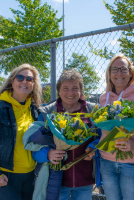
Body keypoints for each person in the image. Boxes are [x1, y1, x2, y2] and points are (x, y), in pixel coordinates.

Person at [31, 69, 101, 200]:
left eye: (75, 88)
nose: (70, 93)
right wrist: (47, 153)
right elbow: (33, 144)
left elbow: (102, 138)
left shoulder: (93, 111)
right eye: (66, 88)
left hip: (85, 180)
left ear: (81, 91)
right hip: (56, 180)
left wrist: (93, 149)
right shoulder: (47, 113)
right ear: (58, 90)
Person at [0, 63, 43, 200]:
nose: (24, 81)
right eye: (20, 77)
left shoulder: (36, 111)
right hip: (6, 176)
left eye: (29, 79)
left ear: (33, 85)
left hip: (31, 175)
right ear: (12, 81)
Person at [98, 54, 134, 200]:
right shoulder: (104, 98)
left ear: (130, 72)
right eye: (114, 69)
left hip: (132, 164)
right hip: (107, 162)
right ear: (109, 73)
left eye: (123, 69)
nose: (119, 73)